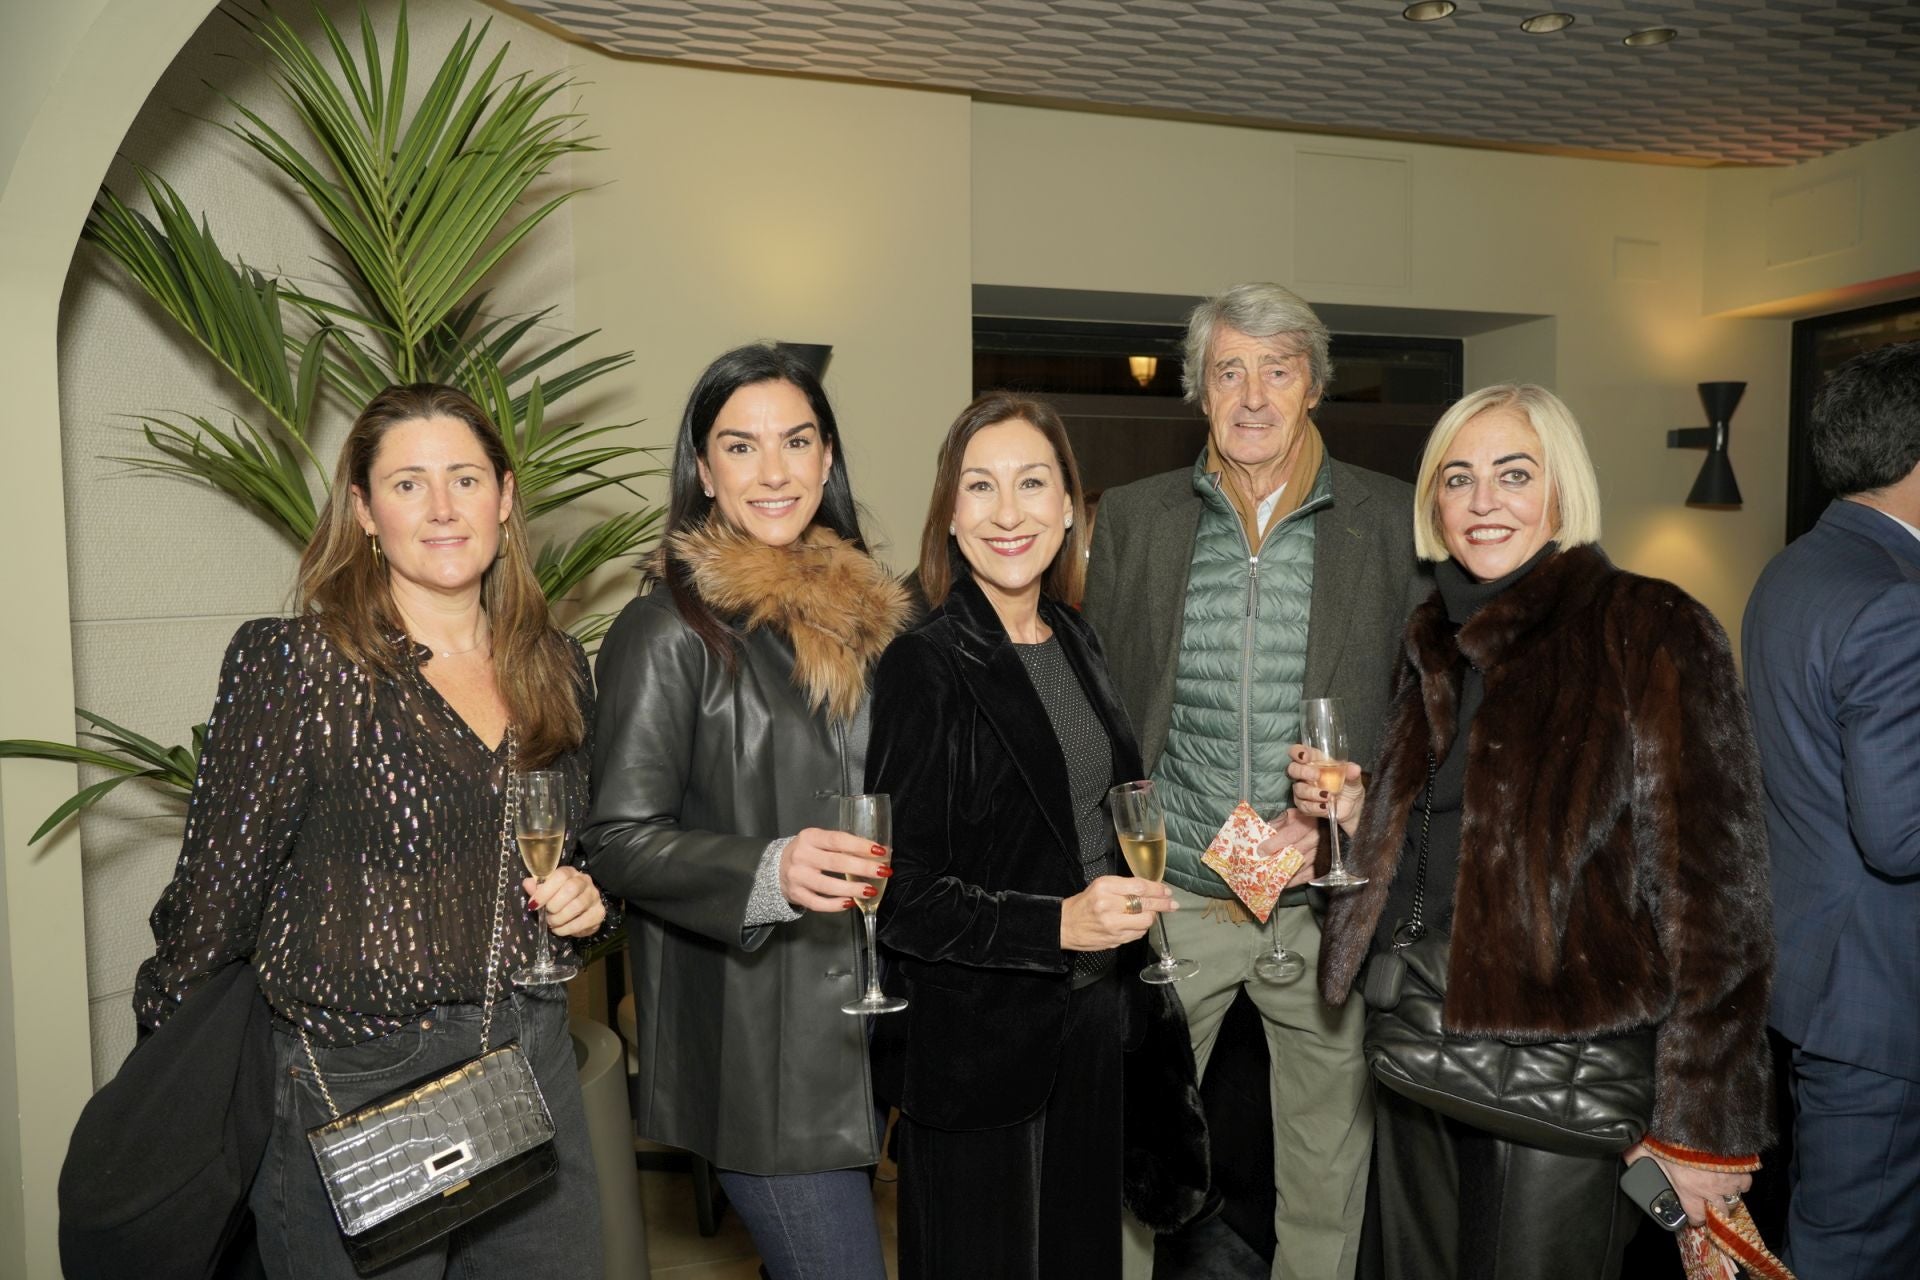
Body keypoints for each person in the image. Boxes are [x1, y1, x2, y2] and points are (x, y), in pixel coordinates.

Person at [133, 383, 609, 1279]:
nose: (441, 509)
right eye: (407, 484)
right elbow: (210, 907)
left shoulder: (555, 663)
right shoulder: (299, 665)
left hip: (526, 1059)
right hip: (352, 1084)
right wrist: (168, 1082)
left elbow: (578, 854)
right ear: (362, 511)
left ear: (505, 499)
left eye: (465, 479)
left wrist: (587, 904)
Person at [1312, 383, 1774, 1279]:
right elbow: (1457, 837)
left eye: (1513, 474)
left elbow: (1720, 902)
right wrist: (1358, 825)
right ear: (1432, 504)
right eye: (1458, 478)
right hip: (1418, 1038)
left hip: (1563, 1069)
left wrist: (1697, 1128)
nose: (1483, 501)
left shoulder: (1649, 625)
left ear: (1561, 489)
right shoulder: (1437, 639)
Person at [1081, 282, 1422, 1280]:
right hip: (1180, 893)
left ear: (1312, 382)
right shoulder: (1138, 520)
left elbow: (1424, 716)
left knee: (1327, 1163)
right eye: (1229, 369)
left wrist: (1356, 813)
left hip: (1321, 901)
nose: (1254, 394)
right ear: (1200, 390)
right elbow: (1109, 712)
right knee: (1141, 1158)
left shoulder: (1391, 520)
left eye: (1277, 368)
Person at [582, 344, 911, 1280]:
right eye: (741, 446)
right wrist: (771, 870)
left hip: (868, 1031)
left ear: (828, 457)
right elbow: (616, 840)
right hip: (762, 1058)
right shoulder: (666, 631)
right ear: (703, 470)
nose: (774, 471)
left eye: (797, 441)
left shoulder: (874, 623)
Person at [867, 393, 1212, 1280]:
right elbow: (904, 900)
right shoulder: (926, 662)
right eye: (981, 487)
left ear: (1071, 507)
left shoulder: (1074, 638)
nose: (1009, 513)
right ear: (950, 513)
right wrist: (1057, 923)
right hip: (984, 1060)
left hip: (1094, 1031)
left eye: (1033, 484)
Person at [1742, 341, 1920, 1279]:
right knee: (1856, 1250)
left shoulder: (1795, 569)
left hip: (1815, 973)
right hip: (1882, 997)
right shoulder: (1896, 598)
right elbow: (1900, 834)